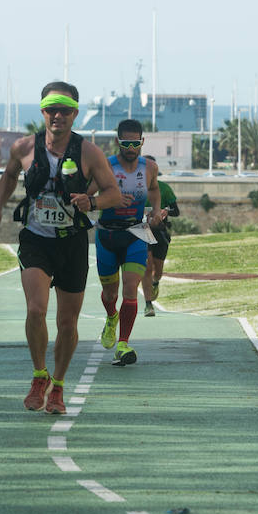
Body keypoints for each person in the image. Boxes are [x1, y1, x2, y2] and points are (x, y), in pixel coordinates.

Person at [0, 81, 125, 415]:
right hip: (36, 239)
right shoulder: (23, 148)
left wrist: (90, 201)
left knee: (67, 323)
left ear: (75, 114)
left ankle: (58, 385)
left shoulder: (88, 153)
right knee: (35, 309)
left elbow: (114, 194)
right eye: (52, 110)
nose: (58, 116)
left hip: (72, 243)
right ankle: (38, 375)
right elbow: (7, 176)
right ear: (43, 112)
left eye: (65, 110)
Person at [90, 120, 162, 365]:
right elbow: (87, 196)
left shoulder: (150, 167)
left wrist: (155, 212)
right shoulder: (105, 166)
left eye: (135, 143)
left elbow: (154, 190)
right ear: (117, 142)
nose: (130, 148)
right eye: (125, 143)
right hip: (107, 234)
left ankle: (123, 345)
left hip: (136, 233)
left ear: (142, 142)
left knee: (130, 288)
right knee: (110, 293)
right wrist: (109, 200)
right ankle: (111, 317)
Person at [141, 155, 180, 316]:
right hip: (142, 230)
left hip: (160, 231)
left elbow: (176, 211)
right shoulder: (135, 190)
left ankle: (156, 281)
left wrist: (165, 211)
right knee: (147, 266)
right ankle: (148, 304)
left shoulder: (164, 189)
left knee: (157, 269)